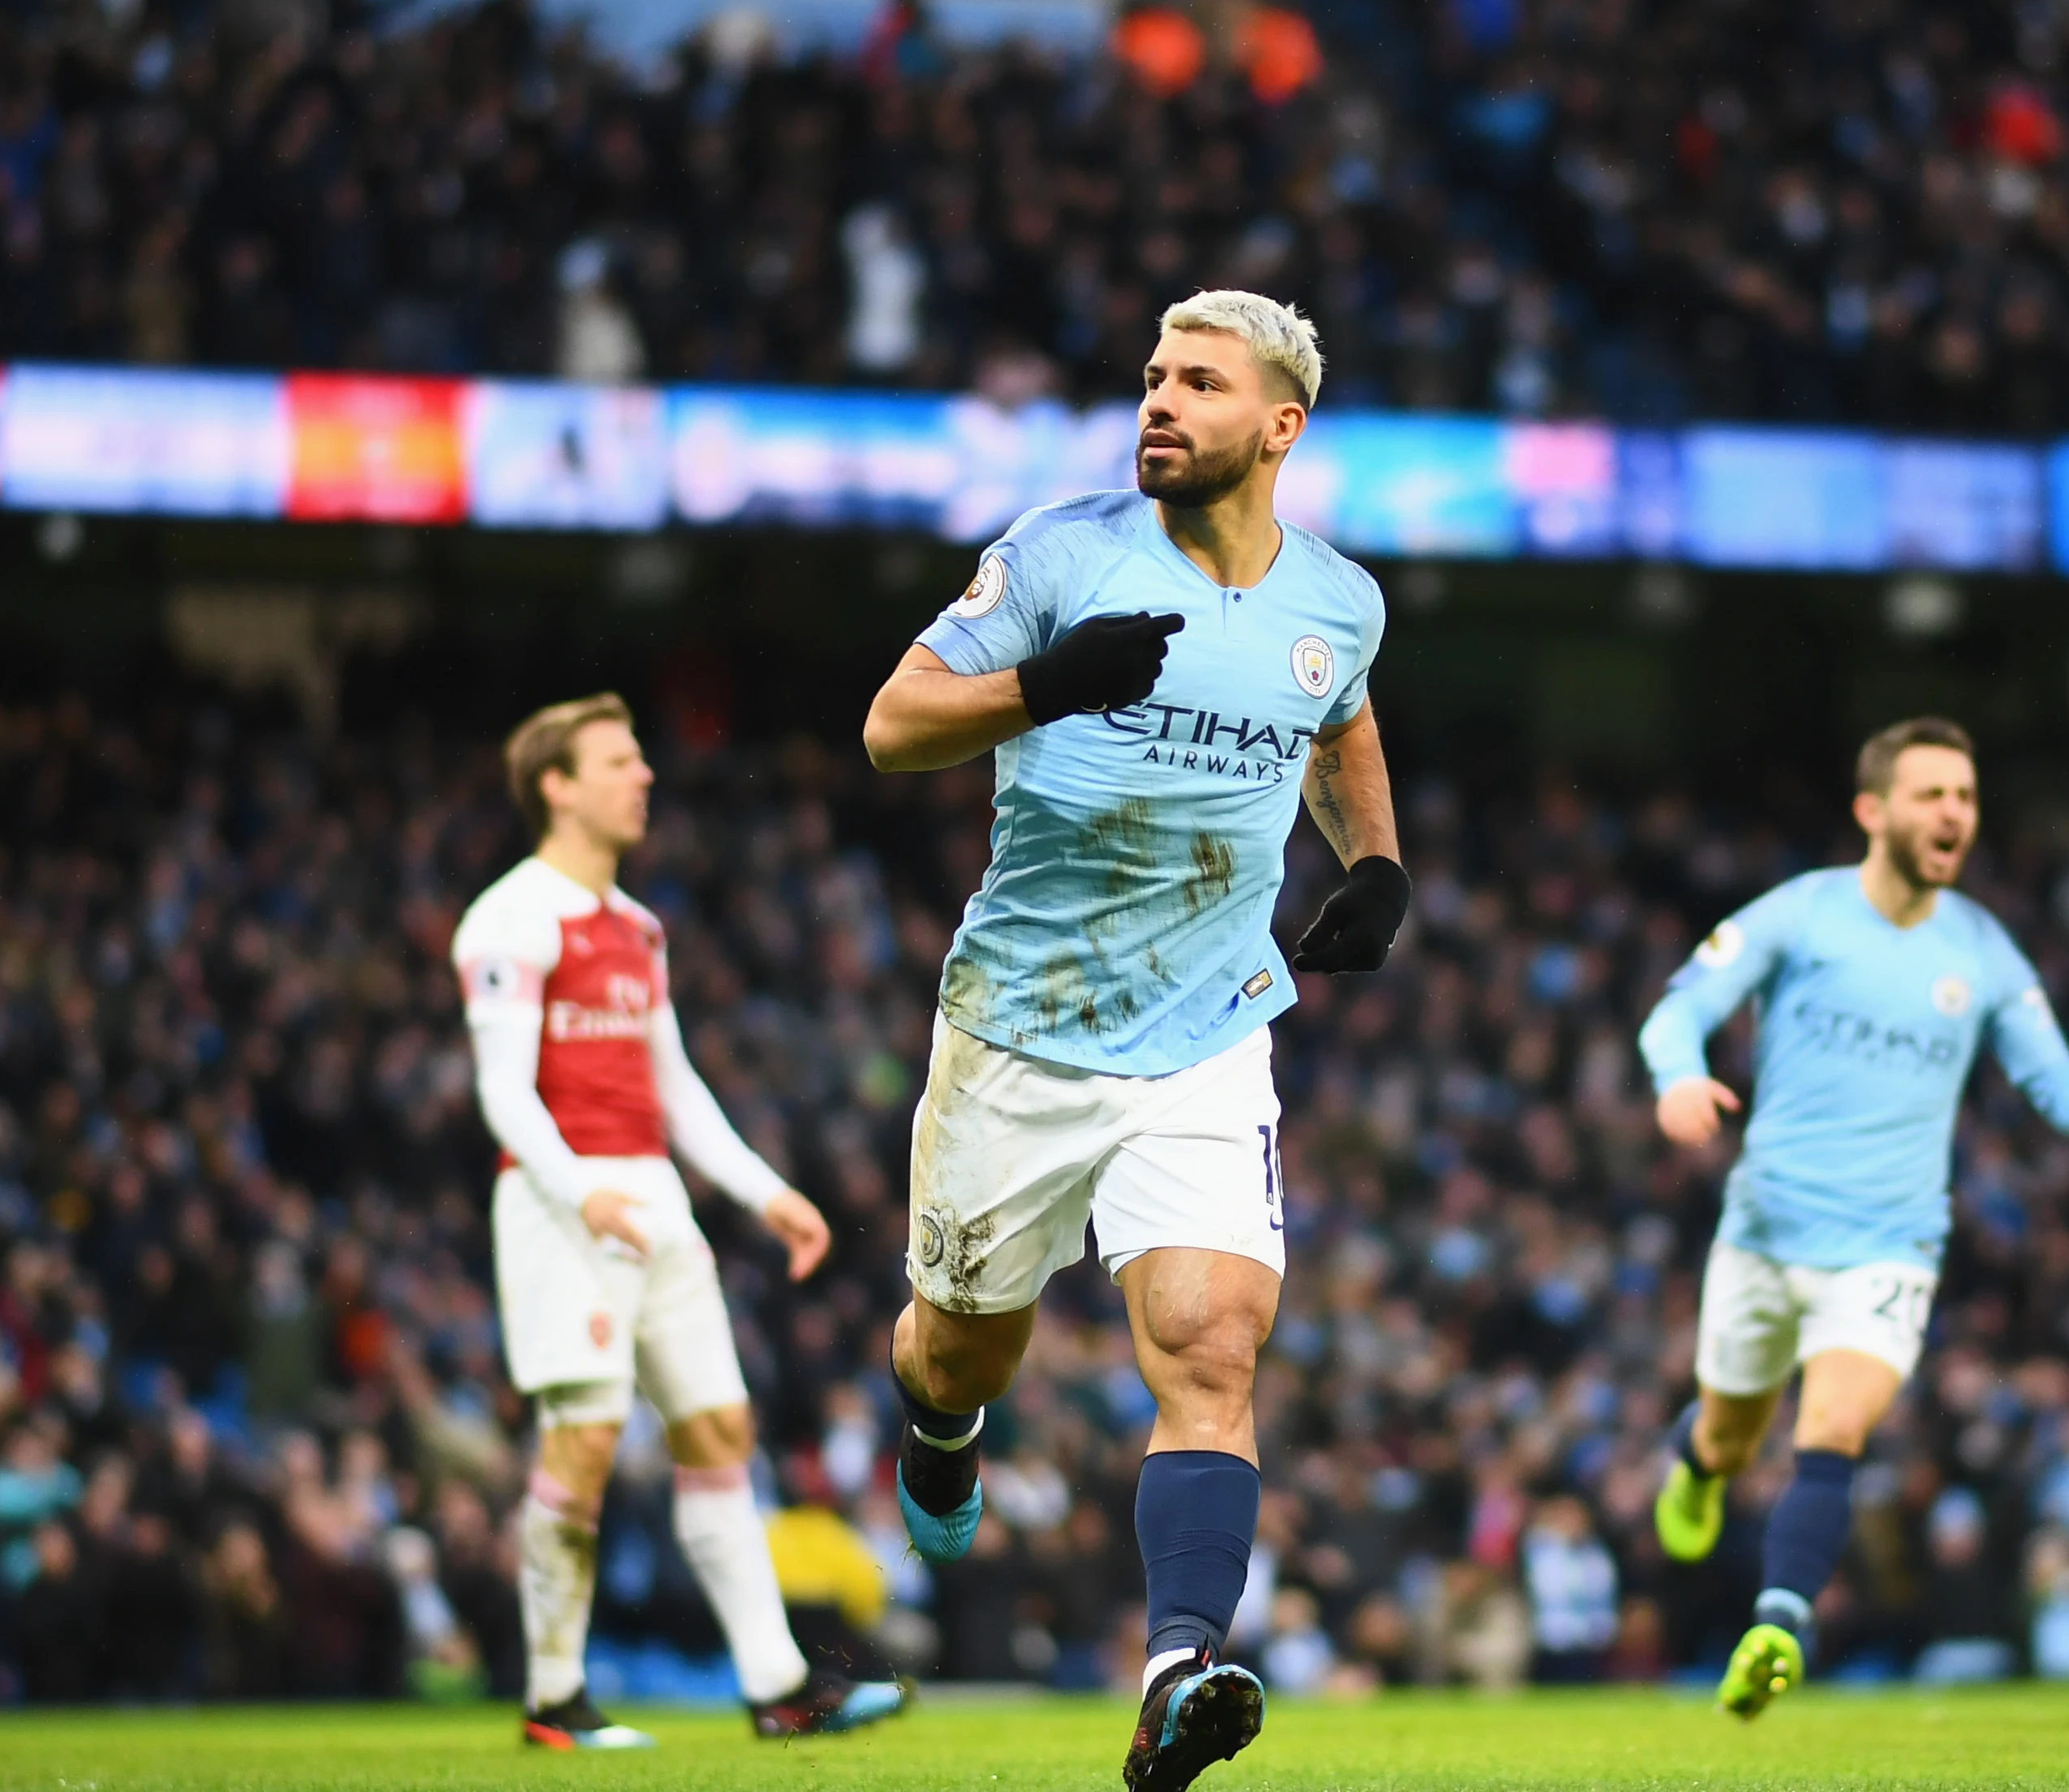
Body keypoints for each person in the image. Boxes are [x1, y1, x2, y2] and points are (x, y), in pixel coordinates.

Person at [862, 289, 1407, 1792]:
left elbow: (1340, 719)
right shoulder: (1059, 551)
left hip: (1210, 1031)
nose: (1159, 401)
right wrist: (1051, 680)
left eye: (1200, 383)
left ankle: (1179, 1662)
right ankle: (940, 1423)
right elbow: (894, 724)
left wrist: (1373, 864)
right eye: (1154, 377)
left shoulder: (1336, 600)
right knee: (963, 1343)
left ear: (1277, 426)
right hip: (1021, 1033)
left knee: (1213, 1343)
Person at [1636, 716, 2069, 1720]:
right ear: (1873, 809)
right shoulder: (1802, 913)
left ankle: (1779, 1624)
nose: (1954, 815)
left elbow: (2058, 1089)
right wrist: (1678, 1080)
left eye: (1966, 798)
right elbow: (1676, 1011)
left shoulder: (1984, 950)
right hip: (1764, 1231)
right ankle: (1700, 1460)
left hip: (1889, 1244)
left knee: (1833, 1424)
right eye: (1932, 794)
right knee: (1731, 1427)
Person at [449, 693, 905, 1748]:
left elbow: (675, 1084)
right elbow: (503, 1089)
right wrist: (579, 1189)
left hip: (650, 1192)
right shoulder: (509, 917)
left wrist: (762, 1190)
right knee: (587, 1438)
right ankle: (553, 1697)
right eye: (617, 760)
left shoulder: (637, 927)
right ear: (556, 785)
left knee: (717, 1430)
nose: (642, 775)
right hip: (564, 1201)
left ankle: (779, 1681)